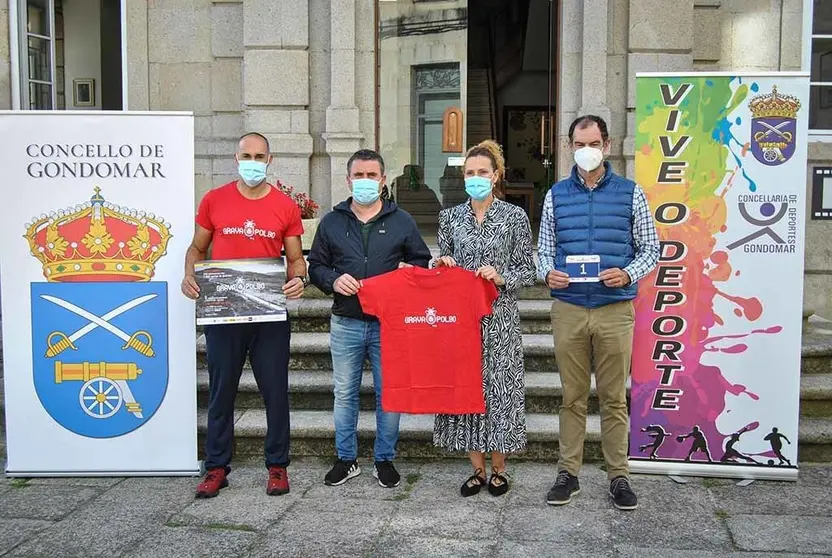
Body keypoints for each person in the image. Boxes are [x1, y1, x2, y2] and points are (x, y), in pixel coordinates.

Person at [538, 115, 659, 511]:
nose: (586, 150)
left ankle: (618, 477)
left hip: (614, 309)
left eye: (593, 143)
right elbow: (543, 249)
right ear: (569, 146)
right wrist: (545, 272)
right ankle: (567, 473)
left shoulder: (630, 193)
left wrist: (628, 272)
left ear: (606, 146)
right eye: (578, 144)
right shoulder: (555, 194)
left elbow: (651, 249)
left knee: (613, 399)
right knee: (572, 397)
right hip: (570, 308)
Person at [181, 132, 308, 499]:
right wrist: (190, 274)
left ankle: (277, 466)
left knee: (275, 392)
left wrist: (298, 278)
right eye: (246, 154)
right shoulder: (214, 200)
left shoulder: (285, 205)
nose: (252, 161)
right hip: (224, 312)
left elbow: (295, 257)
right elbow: (196, 247)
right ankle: (216, 466)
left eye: (259, 155)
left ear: (270, 160)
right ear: (236, 158)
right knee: (221, 391)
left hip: (268, 312)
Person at [307, 149, 431, 488]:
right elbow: (315, 267)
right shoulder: (331, 222)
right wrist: (332, 280)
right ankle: (346, 459)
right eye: (358, 176)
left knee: (388, 393)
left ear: (382, 180)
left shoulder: (402, 221)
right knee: (345, 393)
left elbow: (422, 262)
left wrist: (411, 271)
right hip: (346, 322)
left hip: (390, 324)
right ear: (348, 181)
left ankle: (384, 459)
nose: (365, 182)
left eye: (371, 176)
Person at [432, 140, 537, 497]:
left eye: (482, 172)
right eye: (470, 173)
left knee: (500, 390)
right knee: (467, 389)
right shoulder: (449, 217)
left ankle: (500, 468)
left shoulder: (515, 217)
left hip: (501, 318)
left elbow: (529, 269)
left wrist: (503, 276)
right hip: (461, 320)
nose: (476, 178)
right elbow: (442, 265)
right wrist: (441, 265)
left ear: (496, 176)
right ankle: (476, 468)